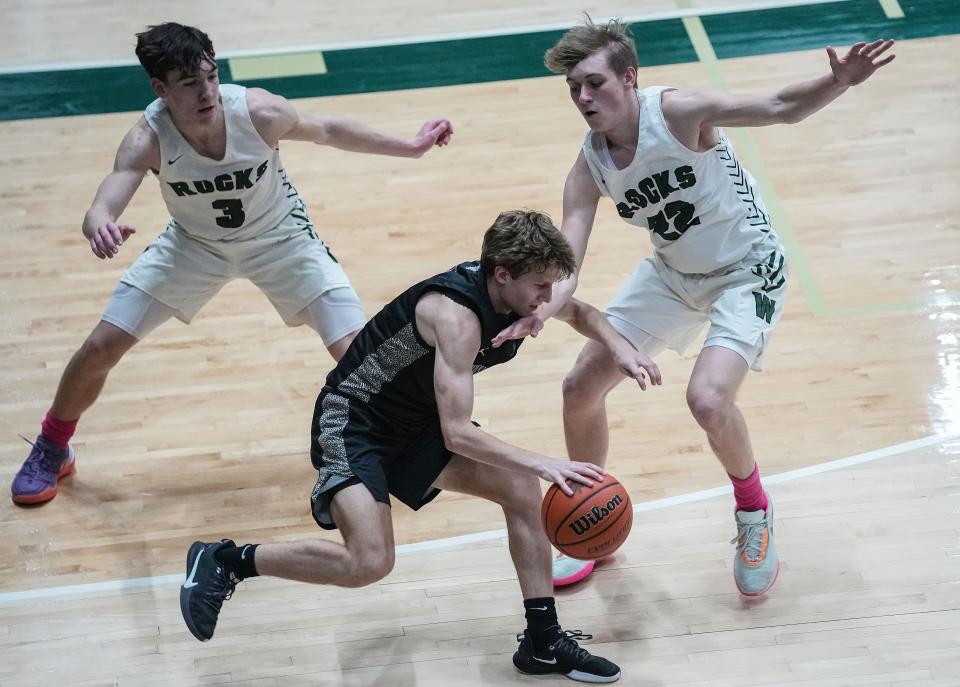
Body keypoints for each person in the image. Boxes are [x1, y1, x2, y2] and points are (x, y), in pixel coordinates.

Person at [492, 18, 895, 593]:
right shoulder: (590, 165)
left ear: (629, 78)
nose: (582, 97)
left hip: (747, 270)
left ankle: (754, 512)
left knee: (707, 401)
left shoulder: (679, 113)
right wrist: (541, 306)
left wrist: (841, 81)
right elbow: (569, 257)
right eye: (573, 87)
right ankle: (591, 517)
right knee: (578, 388)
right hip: (674, 274)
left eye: (593, 83)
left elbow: (780, 106)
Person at [179, 210, 660, 683]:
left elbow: (582, 312)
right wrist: (545, 462)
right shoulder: (456, 318)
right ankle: (226, 560)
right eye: (539, 286)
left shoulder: (522, 297)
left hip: (415, 422)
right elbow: (458, 434)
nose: (547, 298)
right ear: (501, 274)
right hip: (355, 421)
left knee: (518, 487)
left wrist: (621, 349)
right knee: (369, 561)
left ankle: (543, 640)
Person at [11, 22, 453, 506]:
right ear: (160, 88)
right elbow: (105, 200)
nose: (205, 92)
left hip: (282, 238)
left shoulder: (258, 111)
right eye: (188, 84)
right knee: (100, 347)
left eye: (209, 77)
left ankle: (413, 444)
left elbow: (327, 130)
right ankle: (53, 444)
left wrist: (408, 146)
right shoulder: (148, 138)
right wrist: (99, 224)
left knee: (360, 354)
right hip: (194, 244)